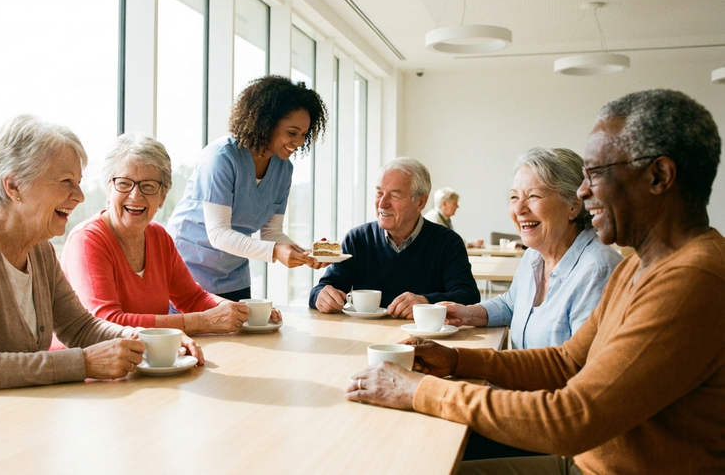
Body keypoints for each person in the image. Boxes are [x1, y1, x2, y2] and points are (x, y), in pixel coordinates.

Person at [346, 89, 724, 474]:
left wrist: (418, 389)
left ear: (659, 176)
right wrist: (456, 359)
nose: (583, 191)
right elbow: (566, 360)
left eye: (596, 174)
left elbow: (574, 417)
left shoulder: (691, 279)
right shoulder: (639, 266)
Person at [0, 116, 203, 425]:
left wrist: (146, 340)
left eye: (78, 182)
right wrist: (84, 363)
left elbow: (80, 326)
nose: (79, 196)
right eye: (66, 181)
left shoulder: (39, 249)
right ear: (13, 186)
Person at [61, 134, 280, 335]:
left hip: (146, 359)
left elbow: (192, 298)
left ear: (163, 197)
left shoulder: (158, 236)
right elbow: (107, 322)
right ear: (108, 189)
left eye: (148, 186)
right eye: (124, 183)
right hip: (91, 364)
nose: (135, 195)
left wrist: (241, 311)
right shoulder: (87, 240)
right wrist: (203, 322)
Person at [167, 75, 328, 301]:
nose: (300, 142)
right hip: (188, 270)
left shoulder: (283, 169)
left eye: (304, 134)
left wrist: (302, 254)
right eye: (292, 133)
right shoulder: (221, 157)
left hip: (233, 274)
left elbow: (271, 232)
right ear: (266, 123)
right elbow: (218, 233)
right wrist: (275, 251)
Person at [441, 148, 622, 349]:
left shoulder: (598, 271)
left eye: (534, 196)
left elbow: (577, 362)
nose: (519, 209)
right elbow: (511, 304)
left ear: (574, 206)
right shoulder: (533, 256)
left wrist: (475, 361)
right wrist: (467, 313)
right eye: (514, 197)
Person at [309, 158, 480, 318]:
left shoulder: (447, 242)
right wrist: (321, 296)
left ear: (420, 202)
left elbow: (469, 296)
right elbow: (323, 288)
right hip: (366, 334)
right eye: (379, 193)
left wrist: (426, 301)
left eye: (394, 195)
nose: (382, 203)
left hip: (422, 336)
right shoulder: (358, 239)